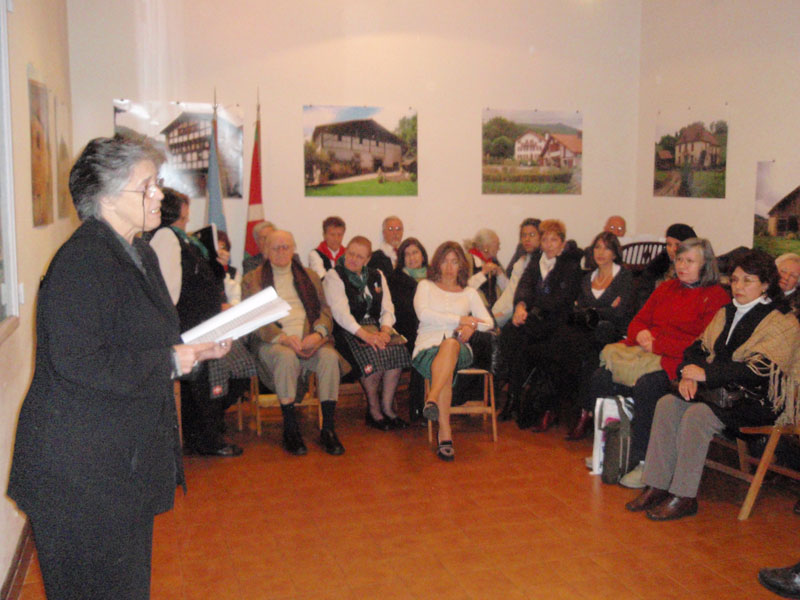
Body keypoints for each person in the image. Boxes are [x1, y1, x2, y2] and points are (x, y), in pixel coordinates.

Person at [7, 137, 232, 599]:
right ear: (107, 197)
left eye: (158, 184)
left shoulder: (138, 250)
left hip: (118, 465)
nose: (159, 196)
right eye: (147, 187)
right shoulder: (82, 261)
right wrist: (170, 360)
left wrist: (195, 349)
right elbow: (77, 359)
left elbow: (145, 337)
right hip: (79, 473)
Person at [625, 251, 800, 520]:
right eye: (735, 279)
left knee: (697, 415)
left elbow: (759, 371)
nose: (738, 287)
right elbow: (696, 348)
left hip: (757, 401)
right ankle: (657, 485)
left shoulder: (782, 321)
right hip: (719, 394)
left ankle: (684, 496)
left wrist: (706, 375)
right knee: (667, 403)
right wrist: (686, 374)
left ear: (766, 284)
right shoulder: (727, 311)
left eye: (747, 281)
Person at [583, 238, 729, 487]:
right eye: (680, 259)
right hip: (646, 354)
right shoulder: (666, 288)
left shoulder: (716, 297)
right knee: (600, 378)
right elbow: (638, 321)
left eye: (690, 261)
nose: (682, 265)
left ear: (706, 265)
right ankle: (614, 449)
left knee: (648, 386)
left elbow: (703, 345)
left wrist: (659, 344)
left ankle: (643, 461)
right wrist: (640, 333)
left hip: (679, 362)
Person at [150, 188, 252, 457]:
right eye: (184, 216)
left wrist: (217, 266)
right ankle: (206, 438)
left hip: (206, 323)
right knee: (204, 383)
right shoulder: (165, 237)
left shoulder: (185, 239)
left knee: (235, 372)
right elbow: (169, 291)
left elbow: (200, 278)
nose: (187, 220)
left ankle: (206, 429)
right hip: (190, 327)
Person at [243, 230, 346, 456]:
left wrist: (318, 334)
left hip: (308, 337)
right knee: (286, 356)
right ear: (266, 251)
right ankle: (290, 429)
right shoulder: (253, 279)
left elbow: (324, 311)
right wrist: (283, 338)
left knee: (329, 357)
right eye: (275, 248)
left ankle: (328, 428)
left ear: (293, 249)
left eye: (286, 247)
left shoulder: (308, 275)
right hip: (273, 340)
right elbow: (252, 318)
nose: (281, 252)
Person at [412, 242, 493, 460]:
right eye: (445, 261)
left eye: (454, 261)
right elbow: (424, 314)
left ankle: (432, 398)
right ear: (437, 263)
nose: (449, 267)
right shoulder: (425, 286)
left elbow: (489, 323)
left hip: (459, 349)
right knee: (445, 363)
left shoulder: (469, 292)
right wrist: (459, 319)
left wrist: (471, 326)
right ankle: (445, 434)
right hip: (427, 347)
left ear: (461, 266)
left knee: (450, 345)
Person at [498, 219, 581, 428]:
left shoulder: (570, 264)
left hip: (556, 321)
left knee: (529, 341)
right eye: (545, 239)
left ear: (562, 242)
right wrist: (520, 306)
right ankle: (512, 398)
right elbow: (524, 286)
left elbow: (562, 299)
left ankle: (535, 404)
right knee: (511, 333)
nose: (549, 244)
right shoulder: (536, 261)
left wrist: (531, 305)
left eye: (554, 240)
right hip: (535, 319)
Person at [324, 235, 411, 430]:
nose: (353, 259)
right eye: (351, 254)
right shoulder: (334, 276)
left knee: (396, 350)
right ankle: (374, 410)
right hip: (348, 330)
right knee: (373, 353)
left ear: (368, 259)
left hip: (378, 328)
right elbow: (341, 315)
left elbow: (388, 308)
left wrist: (386, 330)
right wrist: (367, 336)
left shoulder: (377, 275)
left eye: (359, 256)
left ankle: (388, 408)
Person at [563, 232, 636, 439]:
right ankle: (582, 412)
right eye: (597, 247)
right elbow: (577, 310)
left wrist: (593, 312)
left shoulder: (624, 276)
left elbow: (620, 313)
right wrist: (602, 309)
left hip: (613, 334)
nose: (600, 253)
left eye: (606, 248)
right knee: (577, 350)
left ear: (615, 252)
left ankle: (584, 414)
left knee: (591, 349)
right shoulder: (588, 278)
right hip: (588, 336)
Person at [387, 237, 429, 422]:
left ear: (423, 254)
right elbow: (402, 311)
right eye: (407, 254)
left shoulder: (434, 276)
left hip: (433, 326)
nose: (412, 258)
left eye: (415, 252)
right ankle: (418, 405)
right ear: (401, 259)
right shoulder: (396, 279)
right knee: (424, 348)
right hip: (408, 330)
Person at [635, 223, 697, 310]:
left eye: (677, 245)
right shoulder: (657, 266)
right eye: (669, 244)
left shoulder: (695, 272)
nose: (672, 250)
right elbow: (644, 295)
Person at [493, 218, 541, 327]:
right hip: (502, 310)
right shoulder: (521, 260)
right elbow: (510, 289)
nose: (527, 239)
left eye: (532, 235)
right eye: (524, 235)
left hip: (518, 315)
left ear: (541, 237)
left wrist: (498, 317)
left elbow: (522, 295)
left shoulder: (540, 264)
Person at [465, 228, 508, 310]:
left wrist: (500, 275)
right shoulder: (468, 261)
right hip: (475, 310)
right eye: (497, 245)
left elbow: (508, 290)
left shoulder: (495, 261)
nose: (499, 248)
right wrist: (483, 273)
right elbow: (464, 288)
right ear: (486, 247)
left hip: (496, 310)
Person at [308, 215, 346, 280]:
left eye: (339, 235)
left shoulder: (348, 254)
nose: (336, 239)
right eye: (332, 235)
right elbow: (322, 278)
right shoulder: (315, 255)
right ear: (324, 235)